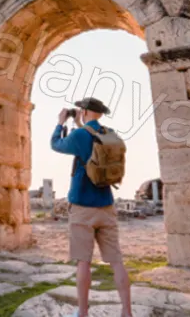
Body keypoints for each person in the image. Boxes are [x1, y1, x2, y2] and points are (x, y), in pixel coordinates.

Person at [51, 97, 132, 317]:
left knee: (83, 262)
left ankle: (83, 312)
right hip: (106, 204)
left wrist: (61, 123)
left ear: (84, 111)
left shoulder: (79, 136)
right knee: (116, 262)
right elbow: (91, 143)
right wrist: (80, 124)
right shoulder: (108, 134)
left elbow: (56, 144)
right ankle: (127, 311)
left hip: (82, 207)